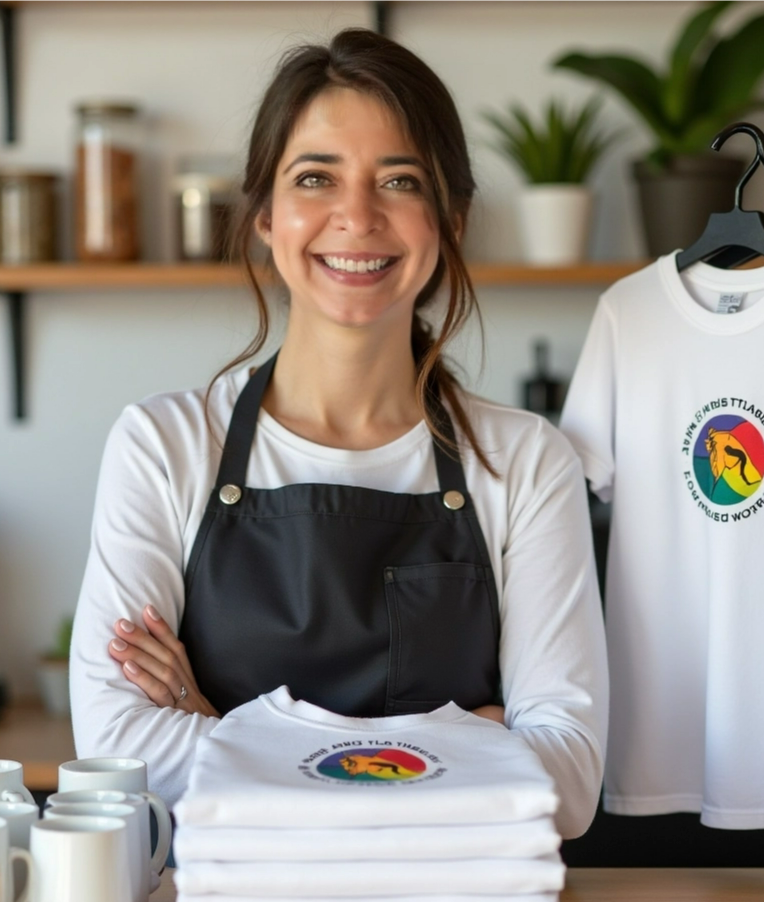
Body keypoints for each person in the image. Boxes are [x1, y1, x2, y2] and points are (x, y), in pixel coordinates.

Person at [69, 28, 608, 839]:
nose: (355, 217)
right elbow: (118, 749)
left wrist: (215, 724)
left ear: (451, 220)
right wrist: (479, 734)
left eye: (399, 180)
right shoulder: (164, 444)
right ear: (263, 215)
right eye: (316, 177)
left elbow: (565, 785)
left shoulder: (526, 462)